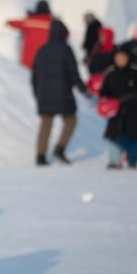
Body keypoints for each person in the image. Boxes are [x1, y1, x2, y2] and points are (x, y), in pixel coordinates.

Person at [31, 20, 89, 166]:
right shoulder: (65, 49)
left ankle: (40, 155)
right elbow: (73, 73)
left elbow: (34, 76)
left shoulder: (41, 50)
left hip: (44, 94)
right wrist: (83, 90)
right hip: (63, 94)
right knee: (70, 121)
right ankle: (60, 148)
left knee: (46, 123)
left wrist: (37, 94)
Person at [99, 46, 137, 169]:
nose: (121, 60)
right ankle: (114, 161)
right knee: (114, 137)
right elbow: (104, 90)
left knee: (132, 137)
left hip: (132, 110)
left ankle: (132, 160)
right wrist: (104, 100)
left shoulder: (136, 72)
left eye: (123, 58)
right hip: (115, 112)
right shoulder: (110, 73)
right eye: (118, 58)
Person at [6, 0, 53, 69]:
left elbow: (11, 23)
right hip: (46, 63)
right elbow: (66, 34)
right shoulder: (54, 24)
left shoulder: (28, 22)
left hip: (28, 63)